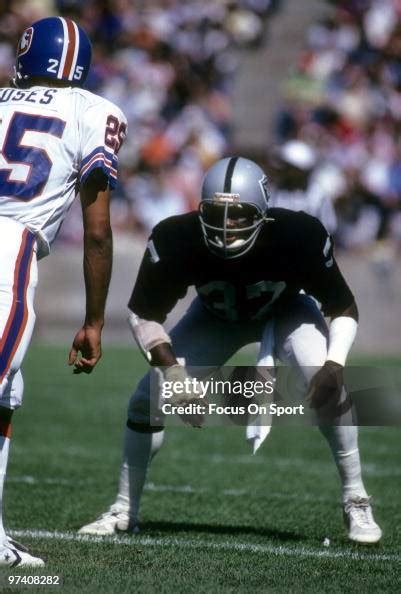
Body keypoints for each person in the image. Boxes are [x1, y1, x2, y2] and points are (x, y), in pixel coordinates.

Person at [79, 156, 382, 545]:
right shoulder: (176, 236)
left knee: (330, 391)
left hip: (288, 309)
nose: (226, 226)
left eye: (237, 214)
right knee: (145, 401)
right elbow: (144, 314)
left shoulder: (298, 233)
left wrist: (334, 364)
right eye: (217, 213)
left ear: (261, 212)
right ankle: (123, 510)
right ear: (200, 208)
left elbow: (342, 307)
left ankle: (356, 499)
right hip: (216, 317)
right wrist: (175, 377)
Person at [0, 17, 127, 566]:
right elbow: (96, 231)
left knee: (7, 392)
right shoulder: (95, 111)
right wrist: (95, 320)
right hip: (9, 249)